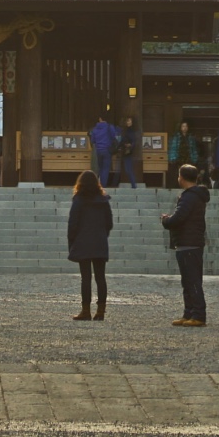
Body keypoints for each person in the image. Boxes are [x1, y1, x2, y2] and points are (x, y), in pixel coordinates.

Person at [160, 164, 209, 326]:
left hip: (188, 243)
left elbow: (179, 218)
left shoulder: (189, 196)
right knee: (188, 281)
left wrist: (166, 220)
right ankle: (189, 313)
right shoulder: (196, 196)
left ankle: (198, 314)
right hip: (190, 242)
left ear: (182, 177)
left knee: (192, 281)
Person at [66, 170, 114, 320]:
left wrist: (72, 240)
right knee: (101, 277)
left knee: (85, 278)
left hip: (83, 241)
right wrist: (102, 235)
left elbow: (73, 223)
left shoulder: (79, 200)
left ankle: (85, 310)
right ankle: (100, 311)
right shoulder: (103, 200)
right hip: (99, 241)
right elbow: (109, 223)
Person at [88, 112, 119, 189]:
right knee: (105, 169)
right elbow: (114, 137)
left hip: (98, 150)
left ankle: (99, 184)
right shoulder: (110, 127)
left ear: (100, 118)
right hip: (107, 150)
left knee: (101, 168)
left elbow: (93, 141)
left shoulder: (95, 129)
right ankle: (103, 186)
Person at [116, 112, 143, 189]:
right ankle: (133, 185)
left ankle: (134, 185)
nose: (128, 122)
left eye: (129, 121)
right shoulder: (125, 130)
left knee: (128, 169)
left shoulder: (132, 131)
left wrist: (130, 145)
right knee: (127, 169)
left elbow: (134, 141)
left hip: (128, 151)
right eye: (127, 121)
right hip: (125, 151)